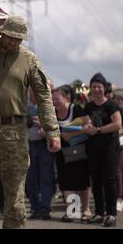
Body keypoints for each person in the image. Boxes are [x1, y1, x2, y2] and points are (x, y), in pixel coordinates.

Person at [0, 15, 61, 229]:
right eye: (11, 37)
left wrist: (52, 131)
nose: (14, 42)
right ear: (2, 34)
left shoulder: (29, 59)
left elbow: (43, 96)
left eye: (19, 39)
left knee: (15, 192)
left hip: (13, 131)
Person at [83, 73, 122, 227]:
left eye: (99, 86)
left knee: (109, 180)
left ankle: (111, 214)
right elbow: (87, 123)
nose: (96, 89)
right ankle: (99, 213)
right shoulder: (89, 106)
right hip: (93, 148)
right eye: (93, 86)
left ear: (104, 88)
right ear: (90, 88)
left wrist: (98, 130)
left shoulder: (111, 104)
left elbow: (117, 124)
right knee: (96, 181)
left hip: (109, 148)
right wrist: (87, 127)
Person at [52, 85, 91, 222]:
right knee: (66, 181)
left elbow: (87, 126)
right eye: (53, 100)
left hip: (78, 150)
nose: (54, 102)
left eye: (57, 99)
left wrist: (70, 134)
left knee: (82, 181)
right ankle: (72, 211)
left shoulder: (77, 109)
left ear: (66, 97)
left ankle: (85, 210)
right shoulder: (52, 113)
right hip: (61, 152)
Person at [25, 88, 54, 220]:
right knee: (31, 180)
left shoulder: (47, 105)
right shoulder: (23, 105)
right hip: (28, 145)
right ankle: (35, 208)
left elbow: (55, 125)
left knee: (45, 178)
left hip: (44, 145)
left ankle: (44, 209)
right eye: (31, 91)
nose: (33, 94)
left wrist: (44, 125)